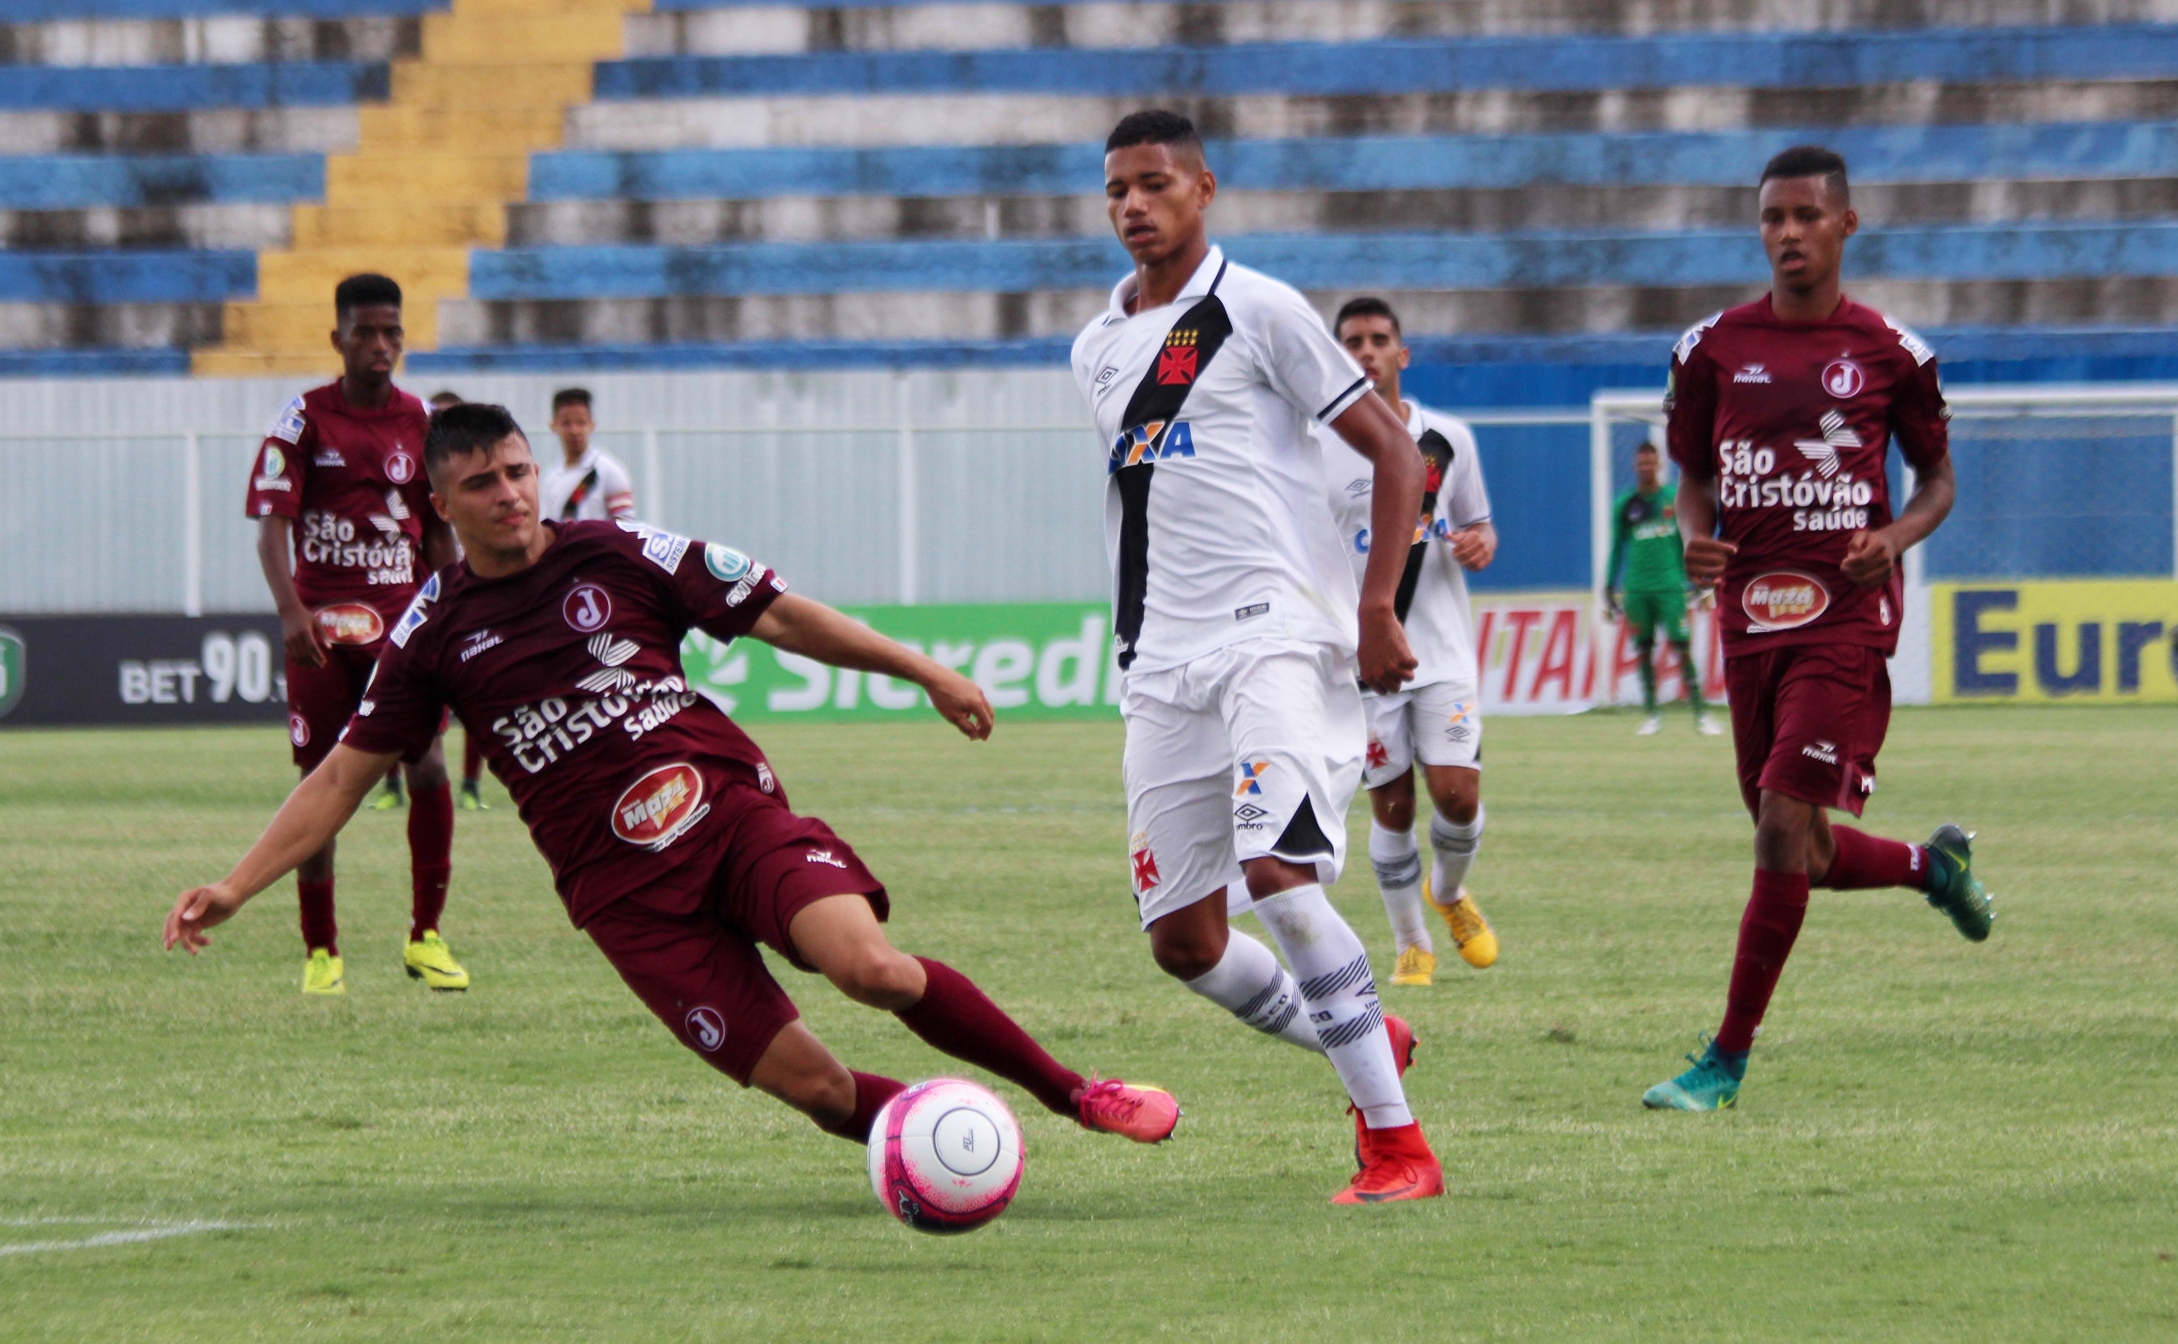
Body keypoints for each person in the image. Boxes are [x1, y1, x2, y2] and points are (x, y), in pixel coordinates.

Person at [173, 403, 1179, 1160]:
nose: (510, 493)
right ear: (441, 506)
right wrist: (235, 886)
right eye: (482, 484)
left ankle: (1073, 1093)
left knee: (871, 970)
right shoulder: (431, 632)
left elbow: (779, 613)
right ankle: (955, 1142)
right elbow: (341, 778)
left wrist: (923, 671)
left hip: (730, 817)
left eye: (518, 471)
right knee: (821, 1091)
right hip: (624, 897)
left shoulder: (624, 554)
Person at [1072, 110, 1440, 1204]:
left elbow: (1396, 454)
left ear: (1204, 188)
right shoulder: (1096, 346)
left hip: (1271, 636)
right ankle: (1367, 1032)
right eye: (1117, 190)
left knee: (1278, 873)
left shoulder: (1258, 308)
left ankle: (1398, 1147)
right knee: (1183, 942)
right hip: (1159, 663)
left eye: (1154, 183)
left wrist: (1375, 607)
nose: (1134, 205)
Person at [1644, 145, 1995, 1112]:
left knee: (1779, 827)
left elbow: (1938, 483)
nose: (1788, 233)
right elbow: (1695, 480)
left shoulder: (1893, 354)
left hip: (1845, 616)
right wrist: (1694, 538)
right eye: (1773, 217)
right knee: (1801, 848)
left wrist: (1896, 536)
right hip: (1748, 618)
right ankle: (1936, 868)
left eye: (1806, 215)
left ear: (1847, 224)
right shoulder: (1710, 350)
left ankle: (1724, 1061)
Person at [244, 273, 468, 995]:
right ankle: (322, 951)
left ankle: (426, 936)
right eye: (365, 332)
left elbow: (438, 534)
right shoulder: (302, 420)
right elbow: (271, 530)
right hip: (321, 630)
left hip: (404, 624)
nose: (380, 344)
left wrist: (454, 607)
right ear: (337, 338)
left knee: (427, 764)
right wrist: (290, 612)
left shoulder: (424, 422)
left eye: (391, 332)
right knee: (319, 784)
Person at [1321, 296, 1501, 988]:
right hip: (1364, 660)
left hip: (1441, 652)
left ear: (1402, 353)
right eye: (1352, 342)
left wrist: (1481, 542)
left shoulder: (1447, 439)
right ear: (1335, 357)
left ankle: (1448, 893)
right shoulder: (1318, 447)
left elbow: (1479, 526)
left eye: (1378, 339)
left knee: (1457, 795)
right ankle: (1411, 943)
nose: (1365, 351)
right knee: (1392, 806)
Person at [1604, 441, 1722, 736]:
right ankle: (1652, 714)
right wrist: (1608, 585)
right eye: (1641, 463)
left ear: (1658, 465)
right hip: (1637, 589)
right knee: (1644, 649)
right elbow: (1616, 548)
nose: (1646, 467)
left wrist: (1697, 579)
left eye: (1650, 462)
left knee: (1682, 647)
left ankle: (1701, 714)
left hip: (1670, 587)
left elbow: (1687, 543)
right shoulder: (1625, 505)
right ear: (1635, 466)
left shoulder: (1672, 499)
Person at [426, 388, 494, 812]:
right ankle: (392, 784)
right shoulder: (420, 475)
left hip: (475, 594)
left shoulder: (485, 472)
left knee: (475, 690)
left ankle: (470, 784)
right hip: (427, 597)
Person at [538, 388, 637, 524]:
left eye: (581, 423)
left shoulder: (610, 472)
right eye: (566, 423)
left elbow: (625, 525)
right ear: (553, 426)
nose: (574, 431)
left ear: (592, 424)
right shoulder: (551, 478)